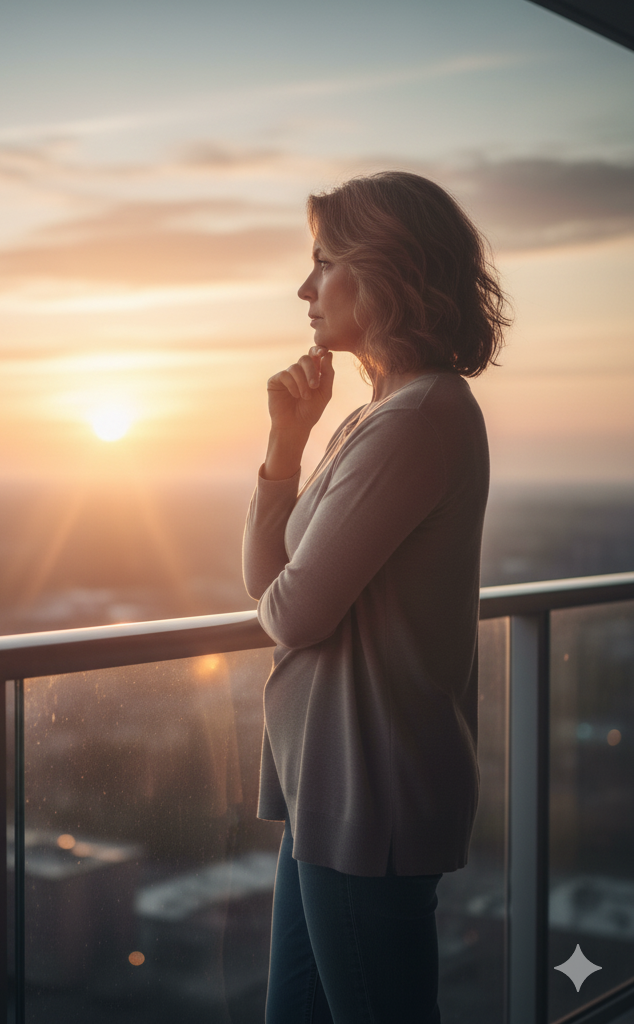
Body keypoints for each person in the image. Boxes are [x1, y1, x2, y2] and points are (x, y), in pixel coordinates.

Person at [242, 170, 510, 1023]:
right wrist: (285, 448)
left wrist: (284, 591)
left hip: (371, 798)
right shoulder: (379, 414)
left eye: (325, 264)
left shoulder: (421, 417)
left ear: (386, 272)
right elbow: (268, 587)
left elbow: (291, 612)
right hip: (331, 790)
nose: (304, 288)